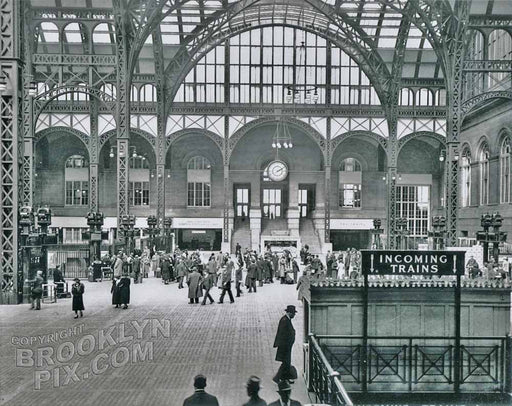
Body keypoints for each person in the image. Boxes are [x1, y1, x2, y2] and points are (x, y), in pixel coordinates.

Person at [273, 305, 297, 383]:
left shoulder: (286, 319)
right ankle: (279, 377)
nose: (294, 315)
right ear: (290, 313)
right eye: (293, 313)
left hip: (286, 346)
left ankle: (282, 378)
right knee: (286, 362)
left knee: (286, 362)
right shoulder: (285, 320)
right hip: (285, 346)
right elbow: (283, 334)